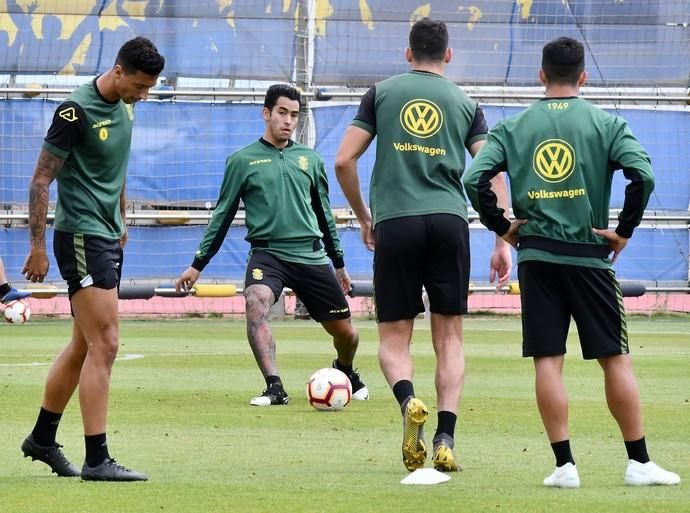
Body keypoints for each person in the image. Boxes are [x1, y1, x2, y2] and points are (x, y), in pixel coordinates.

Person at [463, 36, 680, 488]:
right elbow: (645, 175)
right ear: (582, 77)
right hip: (589, 258)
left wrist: (503, 227)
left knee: (548, 359)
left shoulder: (513, 127)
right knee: (615, 358)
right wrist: (624, 231)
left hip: (537, 256)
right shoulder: (606, 123)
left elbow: (474, 178)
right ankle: (638, 463)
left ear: (541, 76)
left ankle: (565, 467)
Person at [334, 18, 512, 472]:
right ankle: (446, 437)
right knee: (449, 337)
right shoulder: (466, 103)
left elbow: (342, 161)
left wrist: (363, 216)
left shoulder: (382, 93)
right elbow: (492, 172)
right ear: (448, 55)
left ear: (407, 52)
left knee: (395, 338)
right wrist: (503, 238)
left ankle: (409, 400)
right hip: (450, 222)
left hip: (396, 222)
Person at [21, 37, 165, 481]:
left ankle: (42, 439)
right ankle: (96, 459)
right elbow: (41, 179)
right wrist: (38, 247)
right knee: (107, 343)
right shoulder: (73, 112)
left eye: (148, 88)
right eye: (139, 86)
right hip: (79, 235)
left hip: (105, 234)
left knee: (85, 343)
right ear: (118, 71)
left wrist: (121, 219)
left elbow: (115, 166)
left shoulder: (128, 104)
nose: (144, 95)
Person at [176, 84, 368, 407]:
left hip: (309, 253)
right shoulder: (241, 161)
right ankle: (275, 386)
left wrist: (338, 263)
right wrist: (197, 266)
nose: (289, 121)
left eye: (294, 115)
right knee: (256, 302)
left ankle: (345, 370)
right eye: (282, 113)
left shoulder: (310, 160)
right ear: (266, 114)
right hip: (268, 254)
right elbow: (222, 217)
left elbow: (324, 216)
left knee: (347, 334)